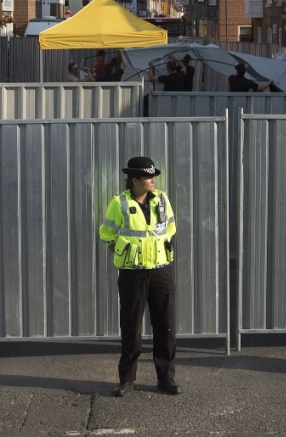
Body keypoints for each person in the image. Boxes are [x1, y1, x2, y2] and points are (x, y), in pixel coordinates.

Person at [99, 157, 180, 397]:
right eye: (148, 177)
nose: (152, 180)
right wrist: (126, 256)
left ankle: (166, 379)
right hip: (132, 274)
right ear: (135, 180)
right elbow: (107, 235)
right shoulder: (119, 203)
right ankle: (127, 380)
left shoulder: (162, 199)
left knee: (165, 327)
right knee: (131, 327)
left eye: (153, 176)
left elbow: (171, 228)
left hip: (161, 271)